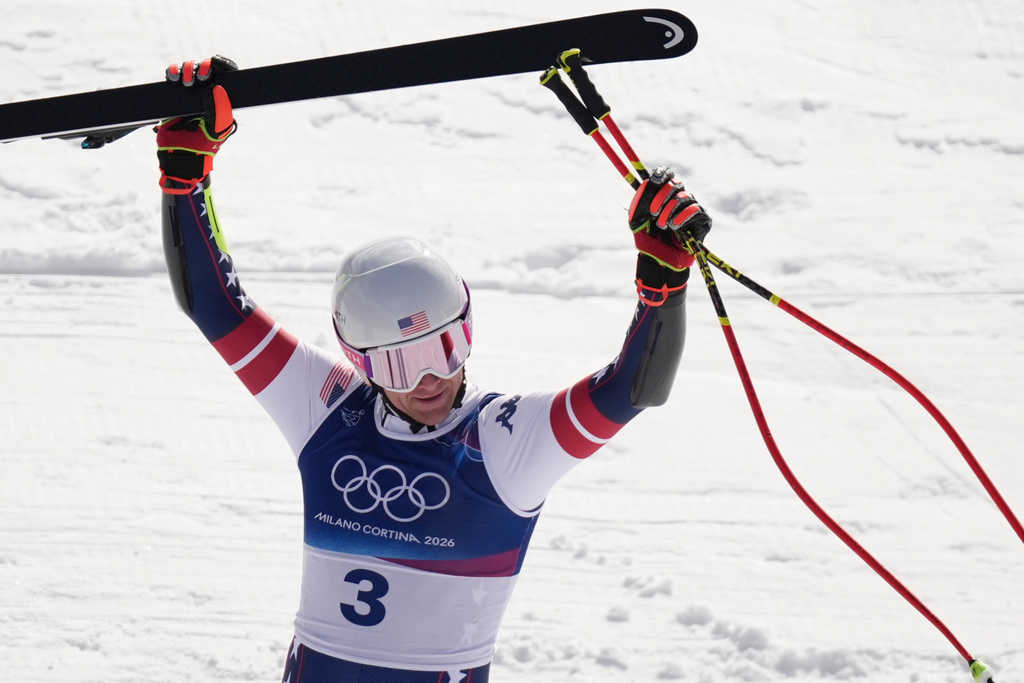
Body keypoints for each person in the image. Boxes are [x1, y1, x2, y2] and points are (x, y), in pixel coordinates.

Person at [155, 57, 712, 683]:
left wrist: (664, 286)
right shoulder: (329, 409)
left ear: (467, 330)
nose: (429, 379)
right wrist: (185, 175)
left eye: (445, 349)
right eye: (397, 363)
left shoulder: (504, 443)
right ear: (357, 362)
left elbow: (632, 390)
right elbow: (218, 309)